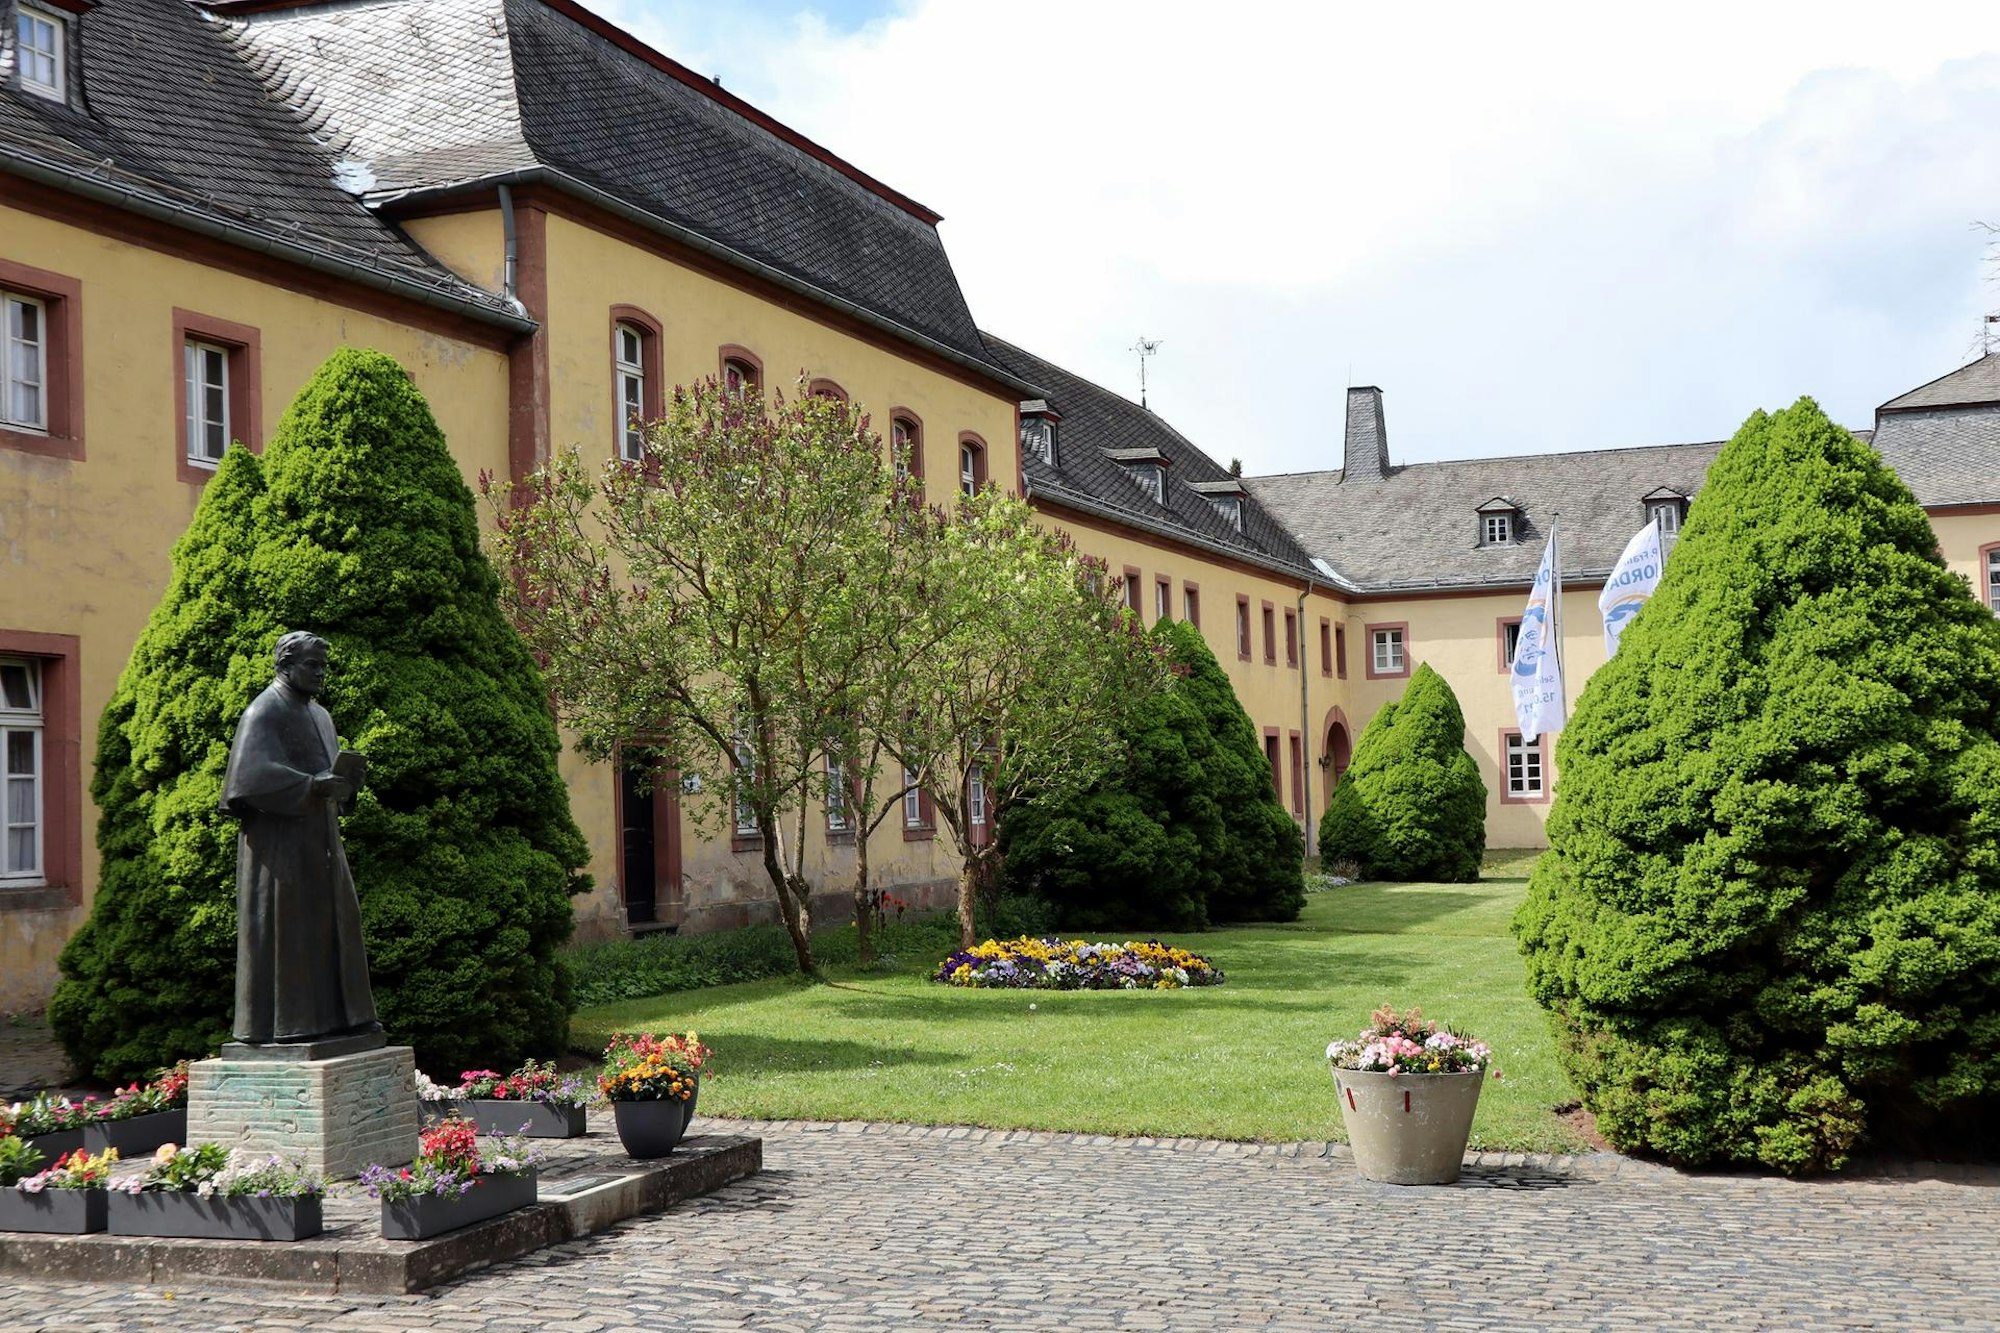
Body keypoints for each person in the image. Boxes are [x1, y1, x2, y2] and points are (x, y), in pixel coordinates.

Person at [219, 631, 381, 1047]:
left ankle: (337, 1021)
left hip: (321, 842)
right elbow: (248, 781)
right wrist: (311, 785)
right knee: (289, 936)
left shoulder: (321, 716)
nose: (321, 673)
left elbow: (329, 782)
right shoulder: (263, 712)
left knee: (330, 929)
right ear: (286, 666)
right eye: (312, 665)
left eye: (324, 666)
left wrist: (347, 784)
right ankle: (289, 1027)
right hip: (280, 851)